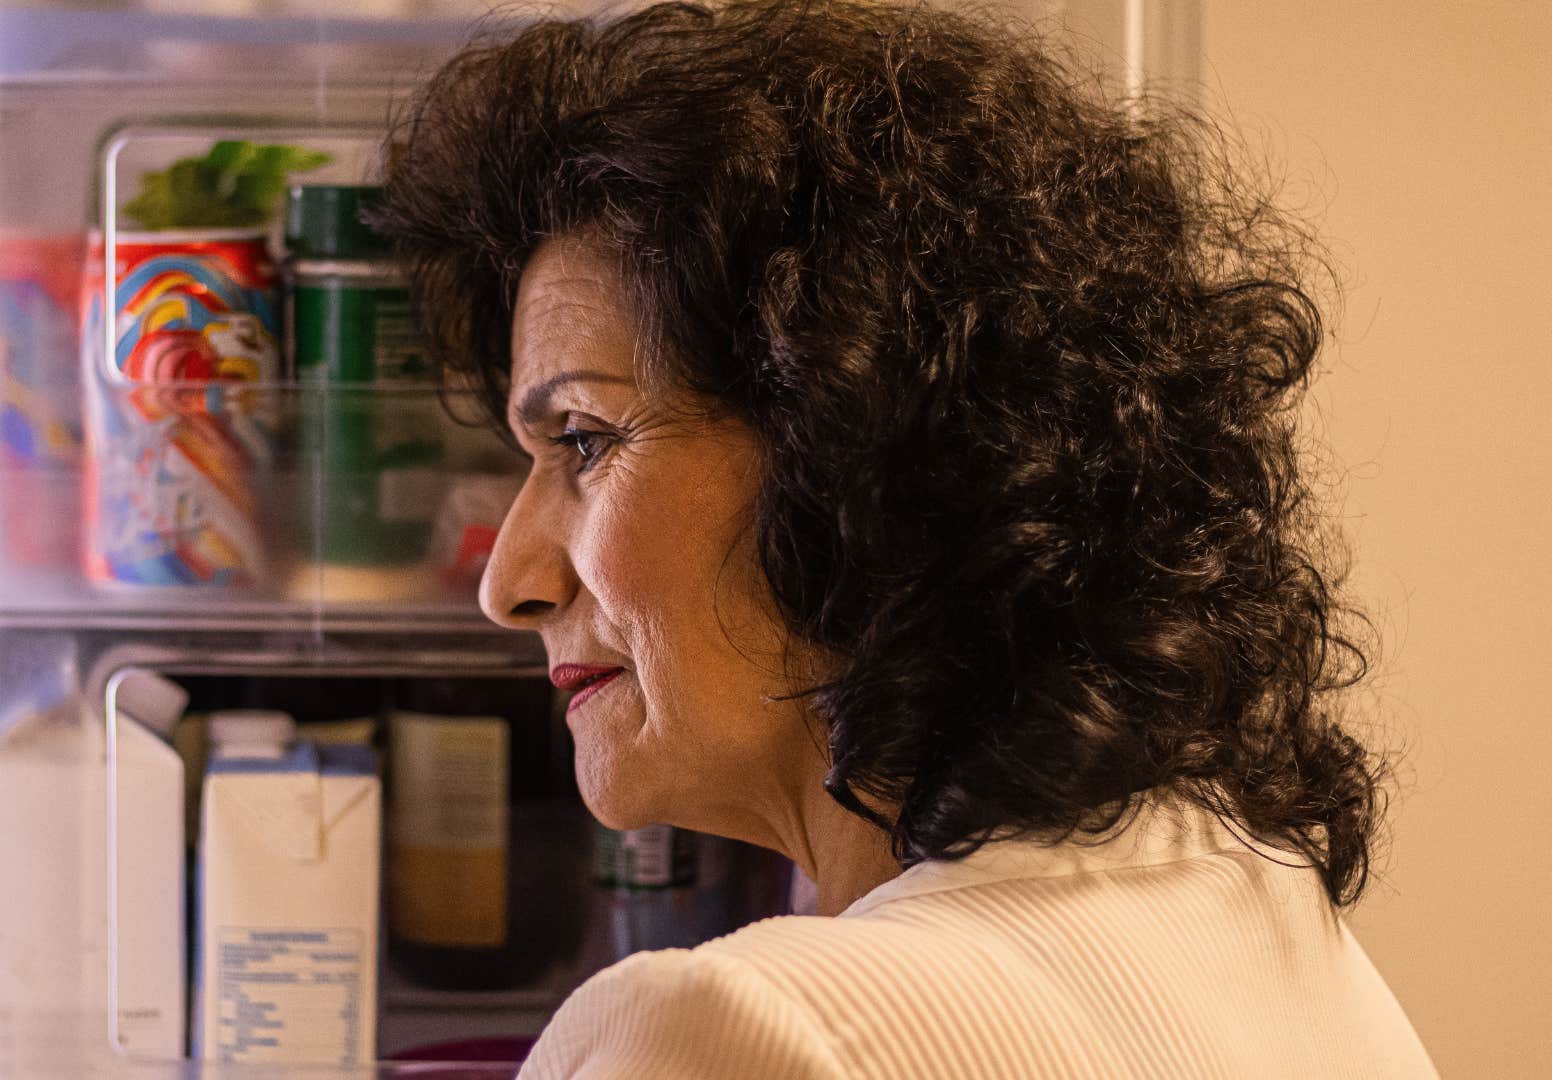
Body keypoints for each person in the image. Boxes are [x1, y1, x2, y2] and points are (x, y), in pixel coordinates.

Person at [370, 0, 1437, 1075]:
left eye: (586, 441)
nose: (509, 582)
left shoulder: (739, 1033)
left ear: (858, 446)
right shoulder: (1246, 885)